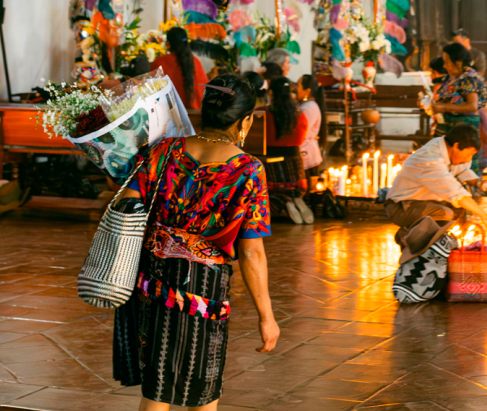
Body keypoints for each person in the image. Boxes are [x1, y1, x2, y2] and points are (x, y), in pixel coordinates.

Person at [112, 74, 278, 411]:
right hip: (203, 290)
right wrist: (266, 316)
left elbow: (126, 206)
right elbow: (251, 251)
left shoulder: (164, 151)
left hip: (152, 282)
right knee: (201, 387)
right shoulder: (247, 170)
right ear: (245, 120)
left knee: (156, 386)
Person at [385, 123, 487, 250]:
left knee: (459, 211)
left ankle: (437, 242)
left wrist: (481, 184)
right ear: (456, 146)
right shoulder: (430, 159)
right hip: (402, 206)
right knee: (445, 213)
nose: (469, 160)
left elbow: (463, 171)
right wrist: (484, 215)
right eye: (468, 154)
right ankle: (414, 240)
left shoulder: (447, 147)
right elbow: (456, 194)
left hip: (426, 201)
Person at [430, 43, 487, 174]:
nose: (444, 66)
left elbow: (472, 105)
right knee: (447, 162)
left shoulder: (468, 79)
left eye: (447, 62)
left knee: (462, 165)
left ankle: (464, 190)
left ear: (458, 62)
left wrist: (443, 107)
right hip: (451, 125)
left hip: (464, 128)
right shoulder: (453, 77)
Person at [264, 77, 312, 224]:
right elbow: (301, 137)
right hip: (294, 160)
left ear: (271, 93)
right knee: (294, 188)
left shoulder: (265, 114)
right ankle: (295, 198)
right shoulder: (300, 114)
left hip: (272, 159)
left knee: (273, 190)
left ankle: (286, 202)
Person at [150, 27, 209, 110]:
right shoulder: (196, 61)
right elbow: (205, 92)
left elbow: (151, 94)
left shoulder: (159, 63)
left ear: (168, 44)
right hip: (196, 117)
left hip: (168, 118)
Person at [297, 74, 327, 177]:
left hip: (308, 156)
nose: (295, 89)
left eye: (298, 86)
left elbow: (300, 132)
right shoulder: (305, 106)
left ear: (307, 91)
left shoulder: (309, 108)